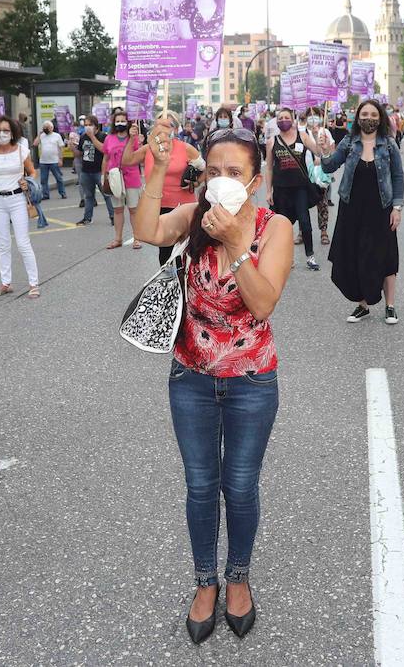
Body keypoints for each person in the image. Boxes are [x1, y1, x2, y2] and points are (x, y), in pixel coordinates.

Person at [131, 118, 292, 644]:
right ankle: (205, 582)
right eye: (213, 170)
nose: (221, 179)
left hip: (251, 382)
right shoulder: (195, 217)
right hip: (191, 378)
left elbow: (263, 302)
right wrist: (157, 167)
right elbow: (145, 231)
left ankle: (238, 577)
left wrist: (239, 246)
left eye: (233, 171)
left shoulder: (276, 227)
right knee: (200, 487)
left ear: (254, 180)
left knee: (239, 486)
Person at [321, 99, 403, 324]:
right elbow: (329, 167)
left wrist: (397, 208)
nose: (369, 119)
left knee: (386, 256)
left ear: (381, 118)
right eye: (365, 114)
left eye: (374, 115)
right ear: (357, 118)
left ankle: (390, 306)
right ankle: (363, 305)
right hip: (352, 209)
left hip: (382, 209)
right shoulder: (348, 142)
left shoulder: (388, 144)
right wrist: (325, 150)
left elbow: (397, 176)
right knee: (357, 255)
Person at [0, 115, 39, 298]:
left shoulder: (21, 150)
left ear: (13, 132)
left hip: (17, 199)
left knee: (22, 243)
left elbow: (33, 172)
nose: (2, 134)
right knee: (3, 243)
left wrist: (27, 181)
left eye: (6, 130)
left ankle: (33, 283)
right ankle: (6, 283)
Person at [142, 110, 202, 265]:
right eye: (159, 127)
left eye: (167, 126)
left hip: (183, 206)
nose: (163, 131)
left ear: (175, 129)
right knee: (165, 251)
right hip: (159, 205)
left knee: (185, 250)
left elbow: (206, 169)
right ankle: (168, 284)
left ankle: (187, 284)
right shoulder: (150, 149)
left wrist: (196, 182)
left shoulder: (186, 148)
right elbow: (127, 160)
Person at [265, 107, 321, 271]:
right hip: (281, 190)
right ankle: (287, 258)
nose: (283, 120)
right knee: (283, 226)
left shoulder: (302, 137)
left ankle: (310, 257)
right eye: (280, 118)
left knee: (305, 223)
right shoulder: (271, 142)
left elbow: (318, 152)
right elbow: (268, 168)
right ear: (277, 121)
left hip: (300, 188)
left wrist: (318, 137)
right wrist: (269, 191)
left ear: (293, 120)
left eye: (286, 117)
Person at [101, 108, 143, 250]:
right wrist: (104, 175)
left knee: (133, 210)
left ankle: (137, 238)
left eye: (123, 121)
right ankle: (117, 239)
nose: (120, 123)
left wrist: (137, 140)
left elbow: (139, 156)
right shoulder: (109, 138)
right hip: (115, 178)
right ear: (114, 122)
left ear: (128, 122)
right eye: (118, 121)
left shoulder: (134, 138)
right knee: (117, 210)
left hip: (131, 177)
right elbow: (106, 158)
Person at [305, 109, 336, 246]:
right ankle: (302, 232)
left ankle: (324, 231)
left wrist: (324, 155)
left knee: (322, 203)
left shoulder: (325, 132)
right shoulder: (302, 132)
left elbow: (332, 151)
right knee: (302, 204)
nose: (313, 118)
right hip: (305, 172)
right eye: (310, 116)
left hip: (322, 173)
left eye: (316, 116)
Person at [76, 115, 105, 225]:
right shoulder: (83, 137)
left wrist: (92, 137)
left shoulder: (102, 136)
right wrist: (71, 147)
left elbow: (104, 149)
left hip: (99, 171)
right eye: (86, 125)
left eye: (90, 125)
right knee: (88, 196)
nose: (87, 127)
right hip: (86, 171)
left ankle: (113, 216)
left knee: (106, 195)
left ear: (96, 126)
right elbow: (79, 153)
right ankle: (87, 218)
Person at [34, 121, 67, 200]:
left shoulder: (57, 136)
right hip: (43, 161)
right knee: (43, 180)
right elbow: (35, 144)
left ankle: (62, 193)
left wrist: (60, 159)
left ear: (51, 128)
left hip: (54, 161)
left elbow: (61, 148)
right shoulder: (42, 136)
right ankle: (45, 194)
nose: (45, 129)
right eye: (44, 127)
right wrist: (39, 134)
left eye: (47, 127)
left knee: (59, 178)